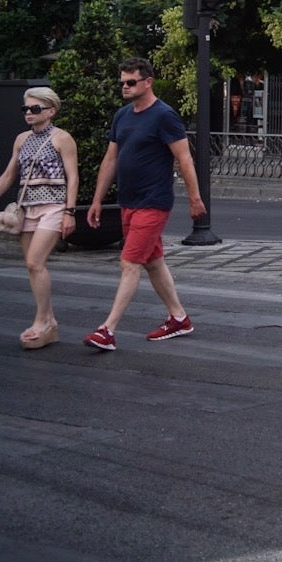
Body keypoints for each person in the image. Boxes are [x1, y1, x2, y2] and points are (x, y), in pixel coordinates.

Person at [83, 58, 205, 353]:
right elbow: (111, 159)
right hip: (129, 200)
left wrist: (195, 198)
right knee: (152, 261)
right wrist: (97, 199)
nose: (124, 87)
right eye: (122, 82)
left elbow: (184, 158)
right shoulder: (122, 116)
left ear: (147, 82)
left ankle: (107, 329)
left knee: (130, 262)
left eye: (130, 82)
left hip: (154, 201)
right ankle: (179, 318)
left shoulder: (165, 116)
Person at [0, 86, 80, 349]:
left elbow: (73, 176)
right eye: (26, 109)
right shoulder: (21, 139)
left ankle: (41, 320)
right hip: (27, 206)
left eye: (35, 109)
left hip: (53, 206)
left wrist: (69, 211)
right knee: (32, 267)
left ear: (51, 111)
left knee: (35, 262)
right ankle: (48, 320)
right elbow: (10, 174)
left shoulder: (62, 138)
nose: (29, 114)